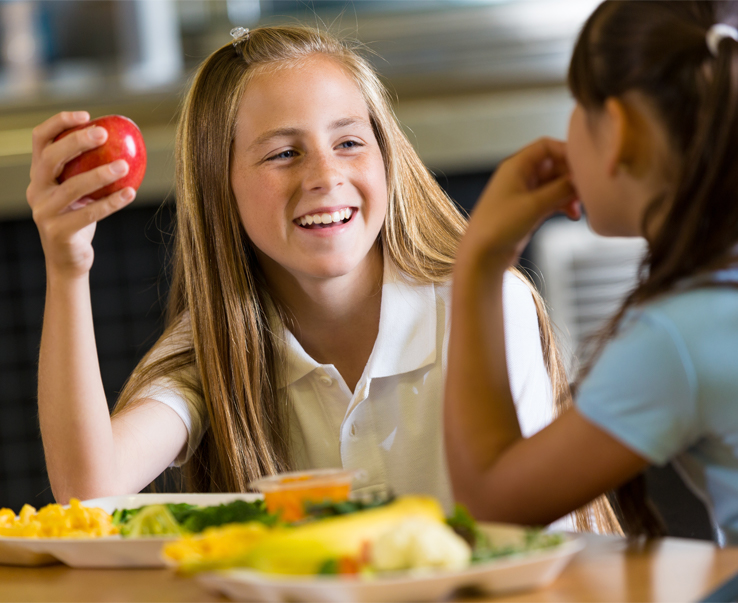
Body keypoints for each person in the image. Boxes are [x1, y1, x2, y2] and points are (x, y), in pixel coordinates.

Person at [28, 25, 587, 524]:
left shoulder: (485, 304)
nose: (325, 174)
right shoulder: (217, 343)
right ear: (219, 186)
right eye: (282, 154)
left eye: (348, 142)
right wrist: (67, 265)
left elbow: (526, 532)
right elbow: (90, 492)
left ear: (386, 157)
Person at [445, 0, 738, 542]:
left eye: (578, 102)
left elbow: (493, 500)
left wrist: (480, 262)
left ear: (619, 129)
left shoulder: (681, 334)